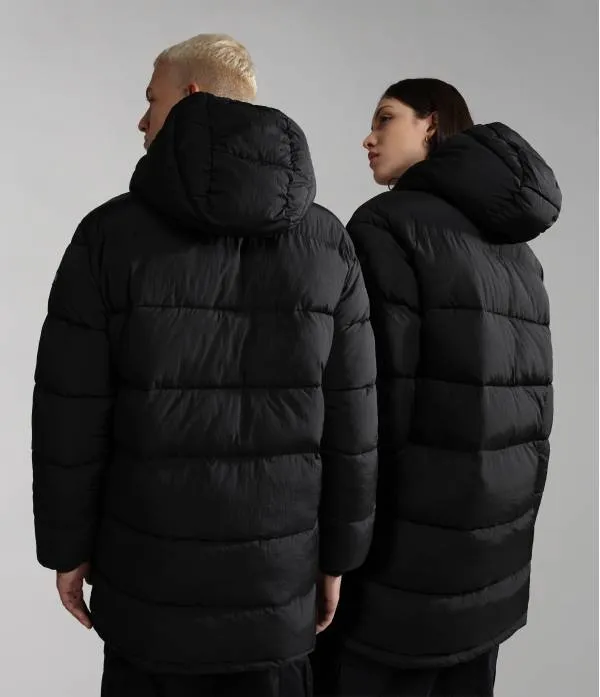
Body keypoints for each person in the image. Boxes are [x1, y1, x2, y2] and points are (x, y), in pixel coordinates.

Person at [31, 33, 378, 697]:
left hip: (147, 592)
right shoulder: (328, 242)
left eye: (151, 101)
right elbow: (354, 421)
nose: (142, 121)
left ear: (191, 96)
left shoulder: (108, 237)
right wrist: (337, 558)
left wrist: (67, 549)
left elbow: (68, 413)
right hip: (276, 593)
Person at [312, 78, 561, 696]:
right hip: (491, 566)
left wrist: (334, 549)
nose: (368, 138)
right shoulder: (517, 253)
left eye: (385, 118)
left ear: (431, 124)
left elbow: (369, 407)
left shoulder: (385, 225)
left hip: (401, 571)